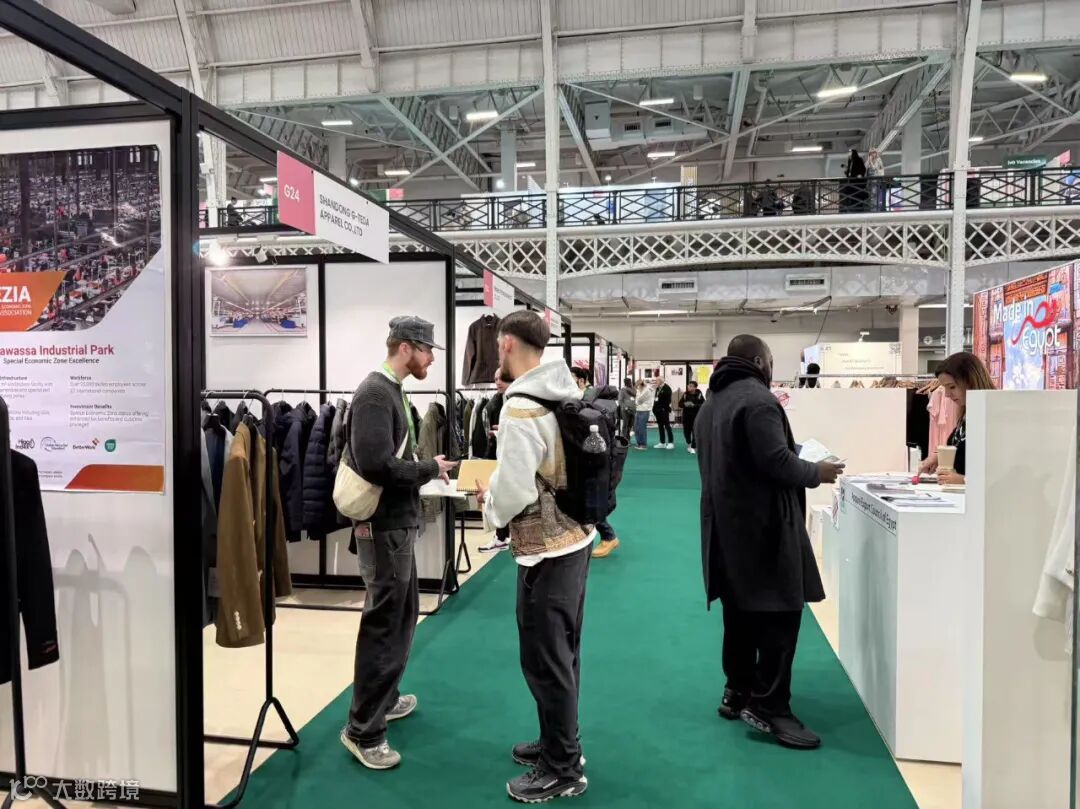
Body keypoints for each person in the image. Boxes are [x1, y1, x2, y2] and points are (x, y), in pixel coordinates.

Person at [695, 335, 844, 751]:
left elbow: (745, 456)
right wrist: (816, 472)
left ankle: (738, 691)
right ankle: (770, 705)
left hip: (726, 528)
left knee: (739, 615)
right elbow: (775, 462)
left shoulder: (712, 403)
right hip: (764, 530)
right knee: (780, 617)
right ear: (760, 361)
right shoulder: (759, 401)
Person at [475, 311, 592, 804]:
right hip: (574, 538)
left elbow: (515, 489)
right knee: (562, 655)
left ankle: (563, 768)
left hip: (544, 551)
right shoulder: (559, 390)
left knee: (546, 660)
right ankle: (559, 743)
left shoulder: (521, 405)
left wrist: (488, 504)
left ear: (505, 343)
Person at [340, 317, 458, 770]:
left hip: (395, 525)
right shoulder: (375, 394)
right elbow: (375, 464)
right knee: (385, 625)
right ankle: (363, 730)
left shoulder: (391, 392)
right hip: (383, 527)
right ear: (406, 348)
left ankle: (384, 700)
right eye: (428, 351)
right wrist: (428, 469)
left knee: (401, 615)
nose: (431, 359)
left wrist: (424, 470)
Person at [917, 352, 995, 485]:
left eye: (952, 387)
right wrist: (938, 458)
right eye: (945, 388)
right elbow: (959, 448)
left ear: (970, 381)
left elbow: (999, 471)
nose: (947, 394)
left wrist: (963, 480)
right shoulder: (967, 414)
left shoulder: (993, 416)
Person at [569, 368, 621, 558]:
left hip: (594, 458)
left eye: (571, 379)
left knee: (590, 499)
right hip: (596, 457)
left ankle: (608, 536)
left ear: (582, 381)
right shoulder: (594, 400)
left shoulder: (590, 403)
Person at [478, 367, 514, 554]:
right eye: (495, 379)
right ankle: (501, 536)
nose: (498, 382)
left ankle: (504, 536)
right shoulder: (495, 403)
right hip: (499, 457)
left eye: (502, 378)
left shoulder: (518, 401)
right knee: (499, 496)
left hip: (515, 459)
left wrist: (504, 432)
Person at [681, 380, 705, 454]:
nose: (688, 387)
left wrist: (694, 405)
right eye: (688, 386)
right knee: (686, 432)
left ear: (695, 387)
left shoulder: (699, 394)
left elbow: (703, 404)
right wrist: (685, 404)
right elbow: (680, 404)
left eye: (691, 386)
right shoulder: (685, 394)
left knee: (695, 432)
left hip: (696, 416)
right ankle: (689, 444)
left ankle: (693, 447)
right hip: (686, 417)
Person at [653, 377, 674, 449]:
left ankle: (671, 442)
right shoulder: (658, 388)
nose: (656, 382)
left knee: (667, 426)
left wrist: (664, 409)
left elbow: (668, 401)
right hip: (658, 410)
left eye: (657, 381)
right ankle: (662, 442)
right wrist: (654, 409)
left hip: (664, 410)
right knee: (660, 426)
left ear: (661, 381)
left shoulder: (667, 388)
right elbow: (656, 399)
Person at [633, 379, 654, 451]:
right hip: (638, 410)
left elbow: (639, 400)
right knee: (636, 428)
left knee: (641, 428)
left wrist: (636, 402)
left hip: (644, 411)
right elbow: (637, 400)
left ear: (641, 384)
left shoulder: (647, 390)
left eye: (637, 385)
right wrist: (636, 401)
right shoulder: (639, 390)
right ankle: (639, 443)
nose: (637, 387)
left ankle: (643, 444)